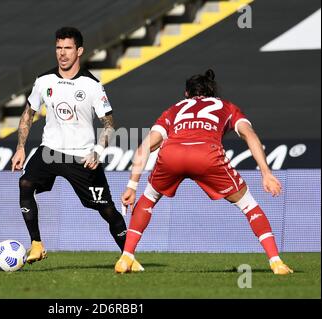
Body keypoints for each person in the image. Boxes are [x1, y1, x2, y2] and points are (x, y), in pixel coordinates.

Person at [115, 69, 293, 275]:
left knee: (148, 197)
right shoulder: (226, 106)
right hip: (206, 155)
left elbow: (145, 146)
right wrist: (266, 172)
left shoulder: (175, 109)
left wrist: (131, 185)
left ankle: (126, 256)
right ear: (213, 93)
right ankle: (276, 262)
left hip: (172, 154)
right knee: (249, 205)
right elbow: (249, 135)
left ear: (186, 94)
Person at [11, 26, 143, 271]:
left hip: (81, 156)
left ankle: (129, 256)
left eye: (68, 48)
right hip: (49, 151)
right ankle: (37, 244)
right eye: (59, 48)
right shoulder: (44, 81)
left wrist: (98, 151)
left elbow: (109, 124)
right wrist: (20, 147)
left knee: (107, 209)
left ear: (79, 51)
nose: (62, 53)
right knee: (25, 183)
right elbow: (28, 114)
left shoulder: (92, 85)